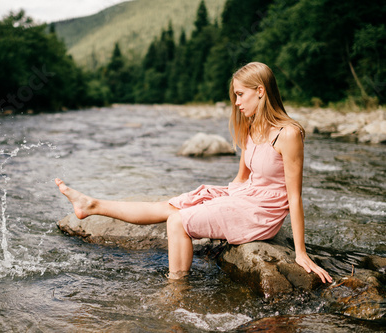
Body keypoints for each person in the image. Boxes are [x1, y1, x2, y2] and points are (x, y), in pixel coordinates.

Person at [55, 62, 333, 284]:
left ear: (260, 90)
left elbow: (294, 198)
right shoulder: (251, 127)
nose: (236, 102)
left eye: (240, 94)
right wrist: (217, 200)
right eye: (234, 95)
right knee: (172, 206)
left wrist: (301, 253)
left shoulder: (289, 134)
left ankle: (176, 290)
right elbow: (241, 178)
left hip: (264, 210)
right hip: (245, 195)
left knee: (178, 221)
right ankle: (92, 206)